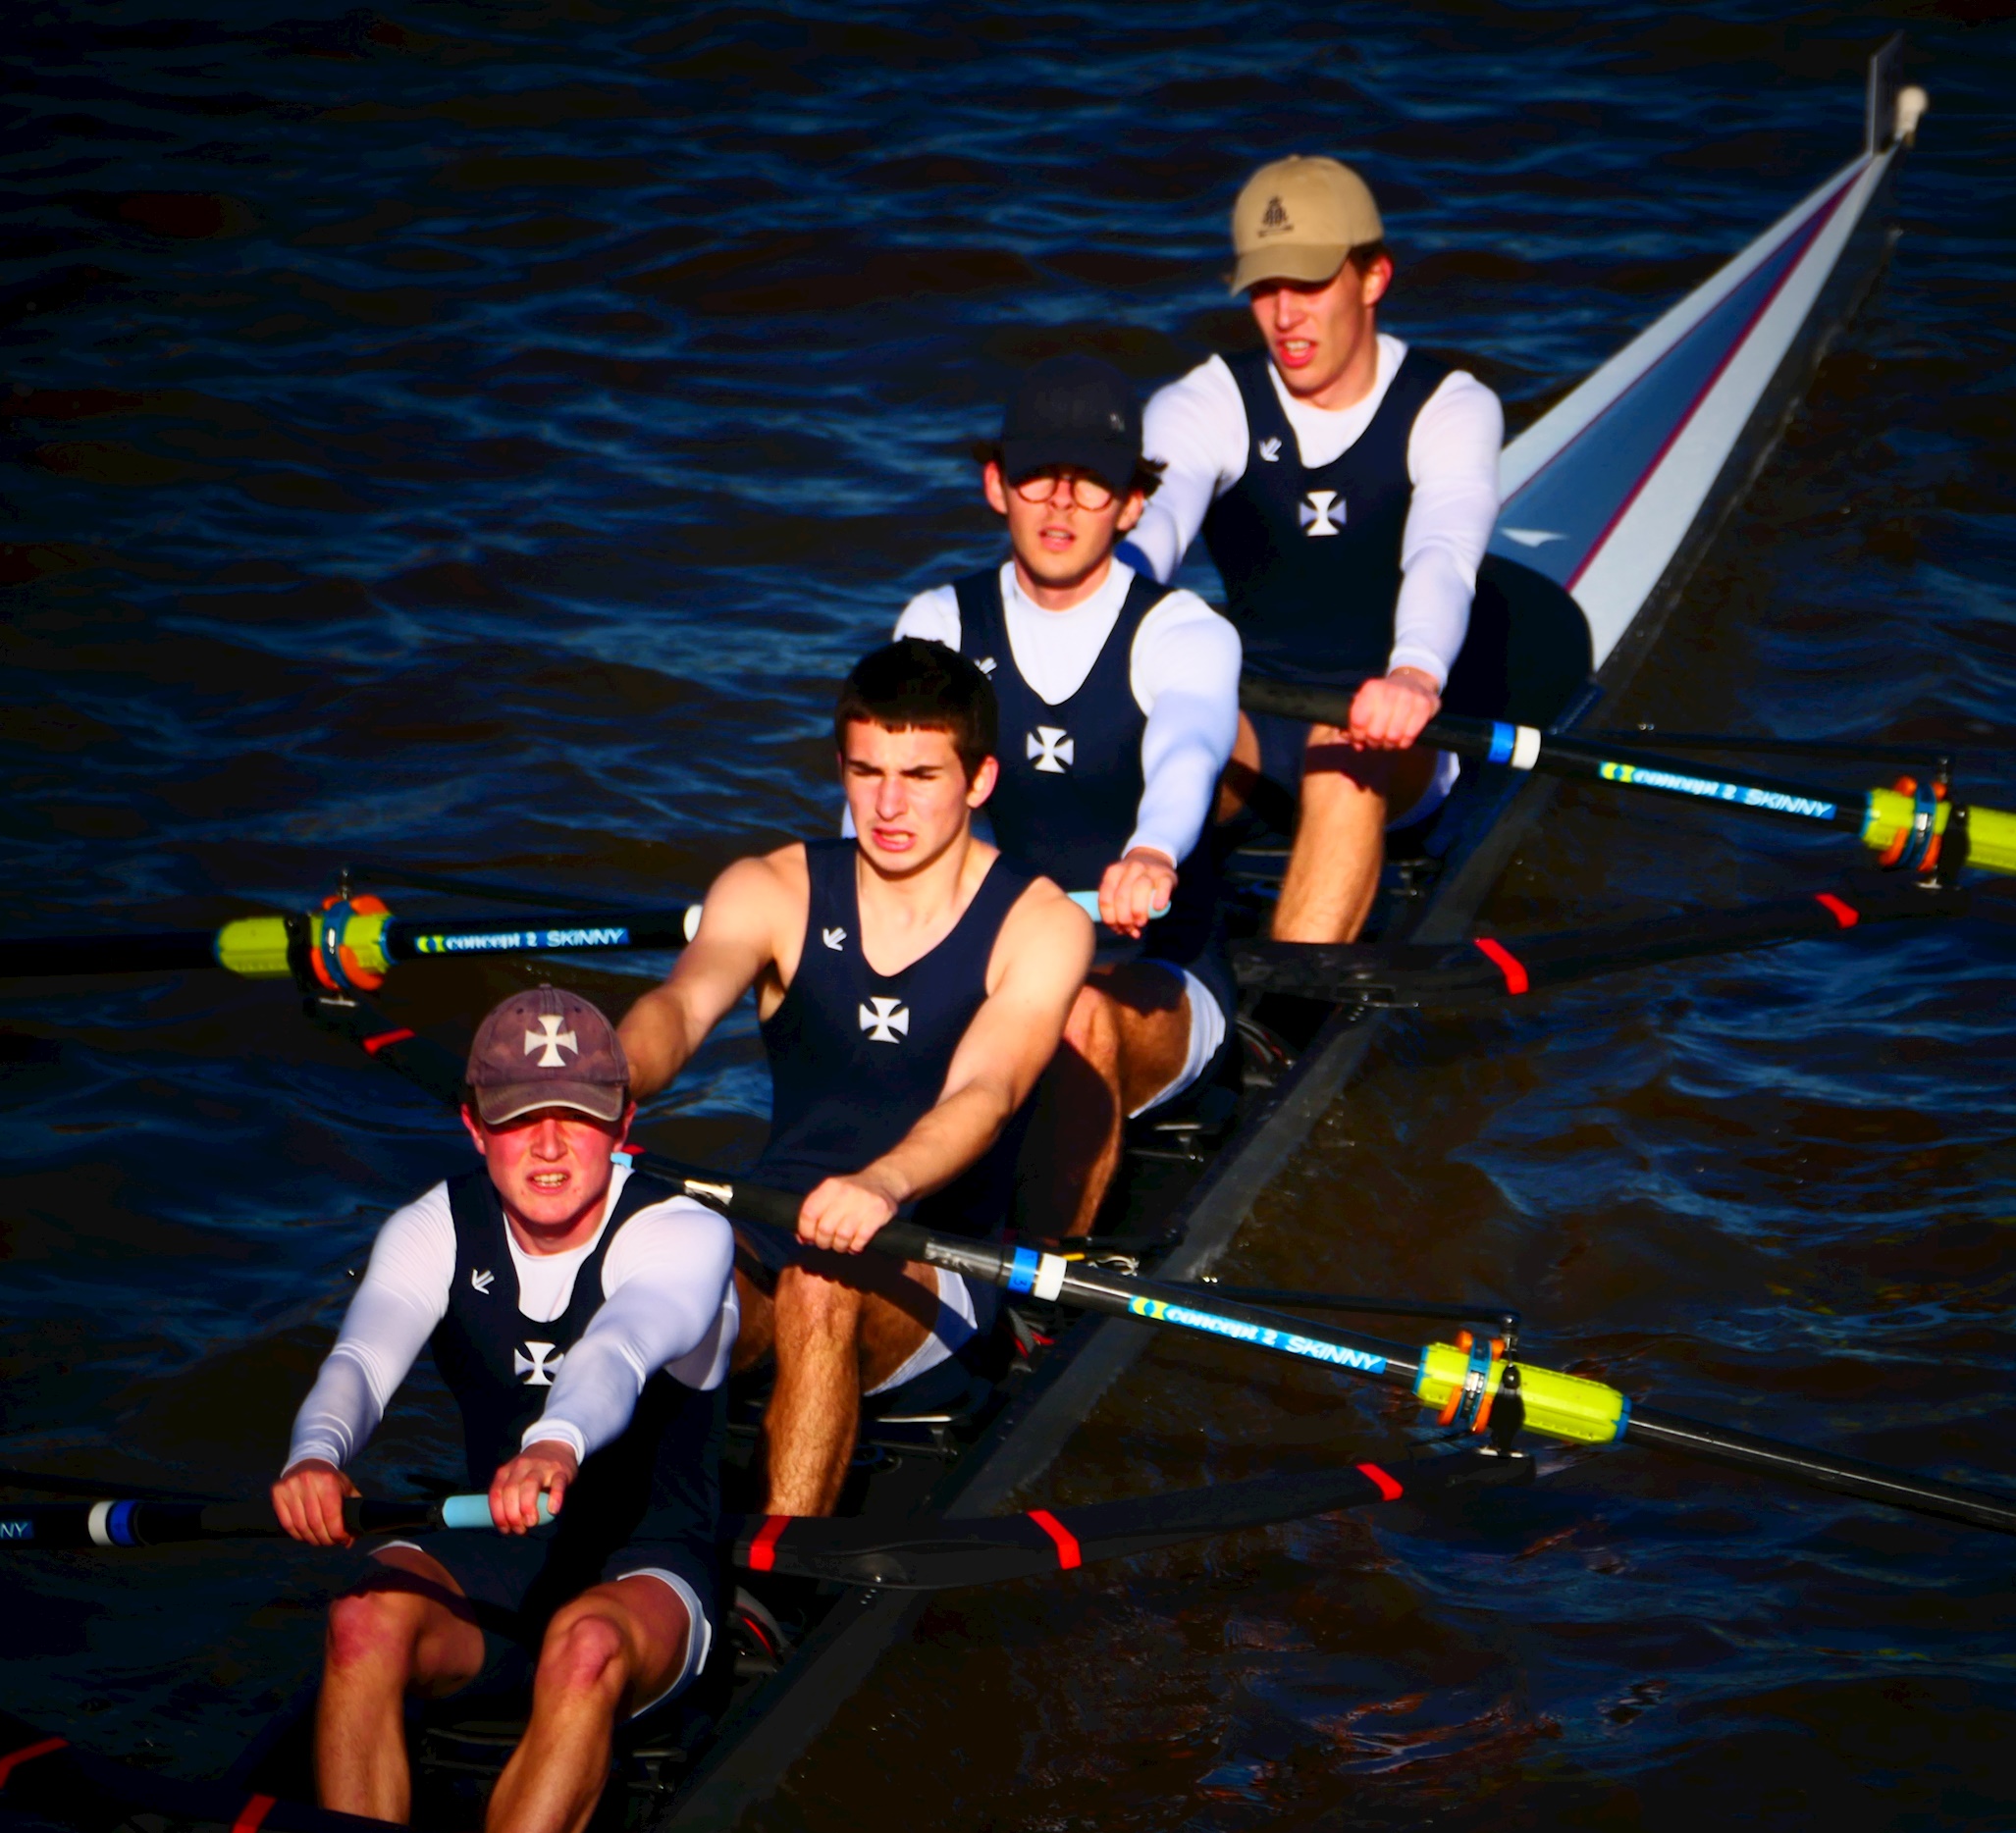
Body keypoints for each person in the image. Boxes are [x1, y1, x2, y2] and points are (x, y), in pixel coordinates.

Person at [617, 641, 1090, 1516]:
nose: (888, 804)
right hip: (776, 1221)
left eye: (920, 774)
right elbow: (681, 1008)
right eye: (867, 771)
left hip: (935, 1261)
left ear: (979, 781)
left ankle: (776, 1579)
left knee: (823, 1284)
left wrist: (883, 1182)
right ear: (841, 765)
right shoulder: (771, 889)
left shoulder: (1042, 923)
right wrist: (604, 1079)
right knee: (638, 1273)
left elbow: (982, 1096)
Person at [272, 987, 736, 1833]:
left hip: (649, 1567)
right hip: (498, 1548)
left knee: (585, 1642)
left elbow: (621, 1349)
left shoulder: (684, 1233)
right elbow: (361, 1363)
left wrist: (554, 1443)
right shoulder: (430, 1229)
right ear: (475, 1126)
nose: (551, 1147)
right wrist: (317, 1455)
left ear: (624, 1121)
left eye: (580, 1116)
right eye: (521, 1119)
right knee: (361, 1616)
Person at [891, 356, 1243, 1236]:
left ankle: (1043, 1296)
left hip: (1152, 973)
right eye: (1038, 475)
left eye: (1091, 485)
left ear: (1132, 505)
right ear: (995, 487)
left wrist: (1153, 850)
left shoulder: (1183, 631)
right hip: (999, 967)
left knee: (1078, 1013)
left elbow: (1189, 750)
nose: (1059, 502)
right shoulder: (936, 625)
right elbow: (891, 806)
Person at [1124, 153, 1507, 945]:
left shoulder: (1451, 406)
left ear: (1373, 277)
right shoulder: (1204, 403)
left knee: (1345, 756)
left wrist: (1414, 672)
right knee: (1134, 727)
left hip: (1393, 739)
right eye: (1265, 288)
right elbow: (1148, 535)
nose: (1284, 315)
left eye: (1309, 284)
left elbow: (1443, 551)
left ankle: (1288, 1025)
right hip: (1253, 722)